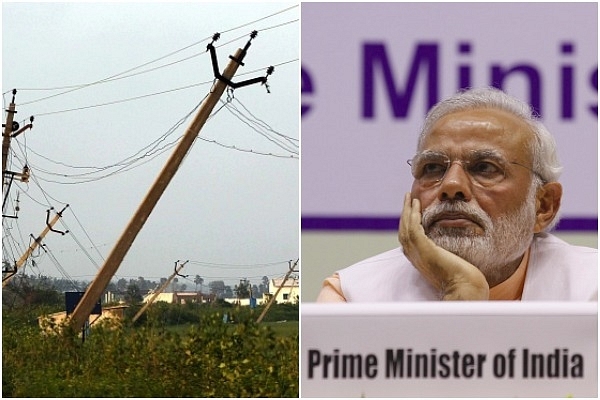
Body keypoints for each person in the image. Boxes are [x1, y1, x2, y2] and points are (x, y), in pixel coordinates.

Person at [317, 87, 597, 302]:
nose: (451, 185)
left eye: (485, 168)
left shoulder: (591, 288)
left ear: (543, 206)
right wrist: (462, 292)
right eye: (433, 167)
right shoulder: (353, 297)